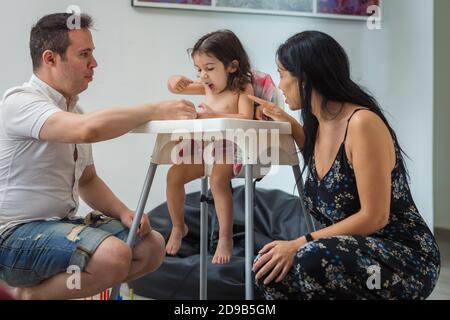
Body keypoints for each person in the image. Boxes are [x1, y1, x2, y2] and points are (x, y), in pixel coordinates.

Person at [0, 13, 196, 300]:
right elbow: (88, 129)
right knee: (113, 256)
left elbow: (88, 180)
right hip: (11, 239)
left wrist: (123, 212)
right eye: (84, 54)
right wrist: (154, 110)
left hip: (57, 227)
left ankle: (41, 292)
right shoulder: (20, 101)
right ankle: (27, 297)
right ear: (50, 58)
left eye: (92, 53)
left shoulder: (73, 111)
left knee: (150, 247)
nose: (94, 63)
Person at [248, 31, 440, 299]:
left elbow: (375, 216)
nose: (279, 85)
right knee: (267, 267)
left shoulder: (361, 124)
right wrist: (284, 121)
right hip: (351, 250)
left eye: (282, 74)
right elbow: (319, 161)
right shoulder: (320, 126)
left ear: (305, 77)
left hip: (402, 258)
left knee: (308, 259)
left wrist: (298, 243)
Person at [165, 30, 254, 264]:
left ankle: (225, 237)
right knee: (174, 174)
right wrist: (174, 80)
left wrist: (216, 114)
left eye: (210, 68)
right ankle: (178, 226)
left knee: (217, 181)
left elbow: (246, 116)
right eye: (198, 69)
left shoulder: (242, 88)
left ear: (232, 66)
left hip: (228, 148)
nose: (203, 76)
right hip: (203, 148)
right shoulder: (206, 86)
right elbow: (177, 89)